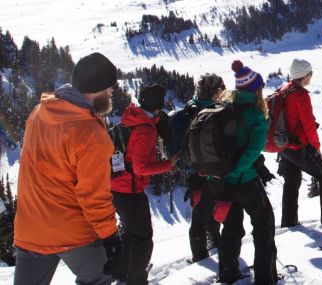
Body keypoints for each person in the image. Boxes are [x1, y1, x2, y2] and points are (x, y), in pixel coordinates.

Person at [13, 52, 124, 285]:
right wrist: (111, 237)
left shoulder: (39, 112)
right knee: (99, 278)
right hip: (73, 232)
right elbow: (93, 196)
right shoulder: (90, 133)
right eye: (110, 88)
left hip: (30, 228)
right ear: (99, 88)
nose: (112, 93)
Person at [212, 60, 278, 285]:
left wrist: (227, 176)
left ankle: (227, 274)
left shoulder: (224, 107)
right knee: (264, 224)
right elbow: (252, 151)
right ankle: (265, 277)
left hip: (222, 180)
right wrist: (237, 172)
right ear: (256, 89)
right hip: (244, 180)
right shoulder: (256, 115)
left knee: (231, 228)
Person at [110, 83, 178, 285]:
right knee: (143, 239)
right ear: (158, 104)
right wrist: (168, 165)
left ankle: (124, 274)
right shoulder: (146, 130)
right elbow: (140, 167)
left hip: (116, 186)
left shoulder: (131, 117)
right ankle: (137, 280)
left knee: (131, 234)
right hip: (131, 190)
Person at [277, 58, 322, 228]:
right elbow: (308, 126)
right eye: (310, 73)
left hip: (284, 146)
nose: (312, 76)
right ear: (305, 75)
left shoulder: (284, 89)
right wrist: (316, 147)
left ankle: (288, 220)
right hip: (299, 146)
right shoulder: (300, 95)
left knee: (291, 181)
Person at [183, 73, 225, 262]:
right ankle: (209, 252)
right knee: (208, 216)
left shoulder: (190, 108)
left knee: (200, 217)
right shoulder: (214, 112)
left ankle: (202, 255)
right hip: (210, 171)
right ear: (216, 92)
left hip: (193, 172)